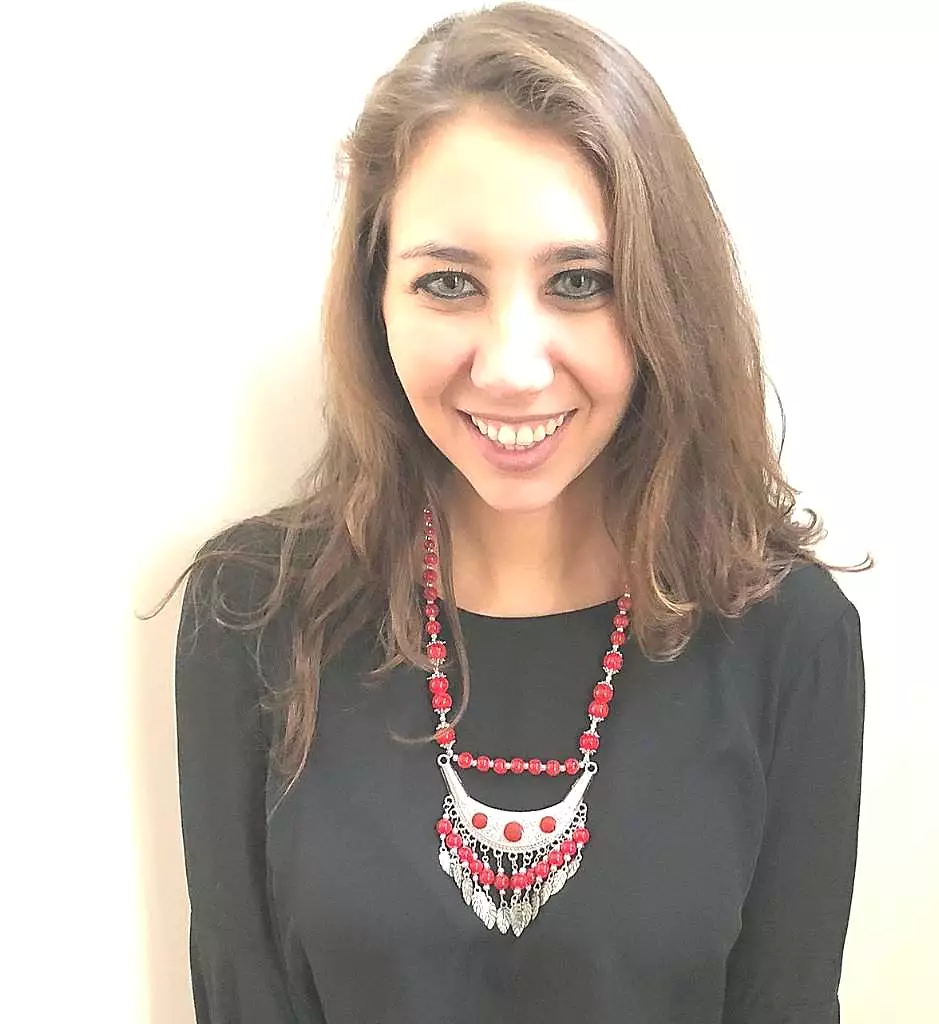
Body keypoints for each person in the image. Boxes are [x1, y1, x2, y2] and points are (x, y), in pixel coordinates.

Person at [168, 3, 871, 1021]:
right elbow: (238, 995)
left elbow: (788, 1001)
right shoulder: (250, 611)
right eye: (447, 282)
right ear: (377, 298)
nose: (508, 367)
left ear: (662, 299)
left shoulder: (784, 635)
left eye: (579, 281)